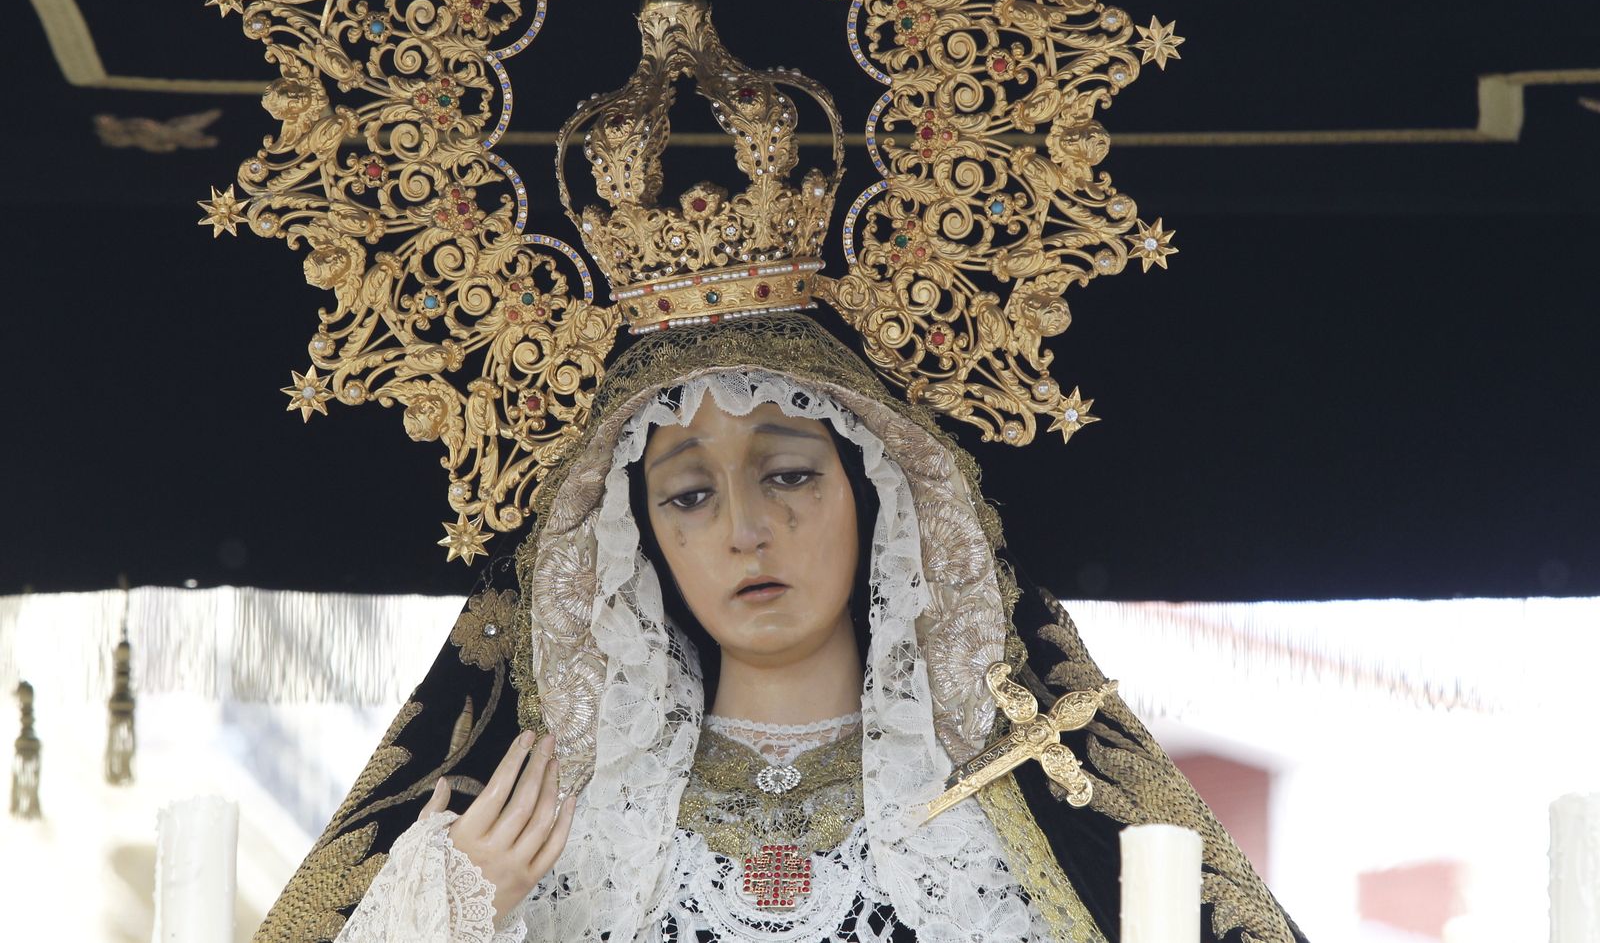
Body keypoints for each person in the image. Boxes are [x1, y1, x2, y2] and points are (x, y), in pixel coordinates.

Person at [252, 315, 1306, 943]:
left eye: (791, 473)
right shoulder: (564, 830)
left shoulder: (1002, 823)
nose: (746, 529)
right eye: (688, 495)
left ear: (876, 498)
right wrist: (448, 912)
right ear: (638, 541)